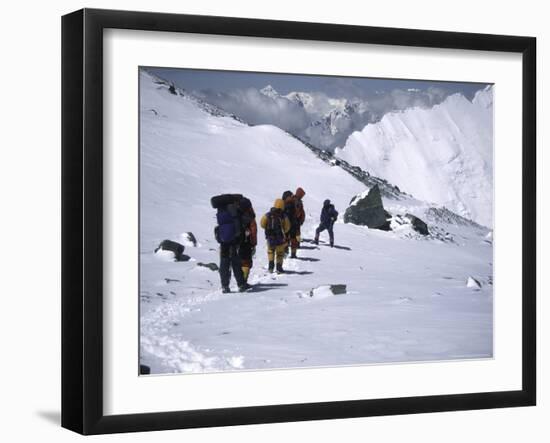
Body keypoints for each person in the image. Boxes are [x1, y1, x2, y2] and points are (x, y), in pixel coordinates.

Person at [212, 194, 251, 293]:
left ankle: (225, 286)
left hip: (223, 238)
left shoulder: (221, 209)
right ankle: (241, 284)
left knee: (224, 263)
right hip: (233, 239)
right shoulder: (234, 208)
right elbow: (245, 220)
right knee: (235, 262)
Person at [260, 198, 291, 274]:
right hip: (280, 238)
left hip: (270, 237)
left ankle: (271, 266)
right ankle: (279, 268)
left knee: (270, 251)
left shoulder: (268, 214)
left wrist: (268, 228)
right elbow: (287, 227)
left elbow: (262, 224)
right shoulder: (283, 216)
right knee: (280, 253)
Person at [282, 187, 306, 258]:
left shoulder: (285, 202)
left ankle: (285, 250)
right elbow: (300, 212)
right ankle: (293, 253)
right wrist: (300, 220)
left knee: (285, 237)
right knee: (294, 237)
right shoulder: (297, 201)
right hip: (294, 222)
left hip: (286, 222)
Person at [238, 197, 257, 284]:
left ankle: (237, 281)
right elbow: (253, 231)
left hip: (234, 242)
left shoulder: (235, 215)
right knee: (246, 262)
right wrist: (253, 243)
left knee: (238, 261)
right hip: (246, 242)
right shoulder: (250, 217)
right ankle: (243, 282)